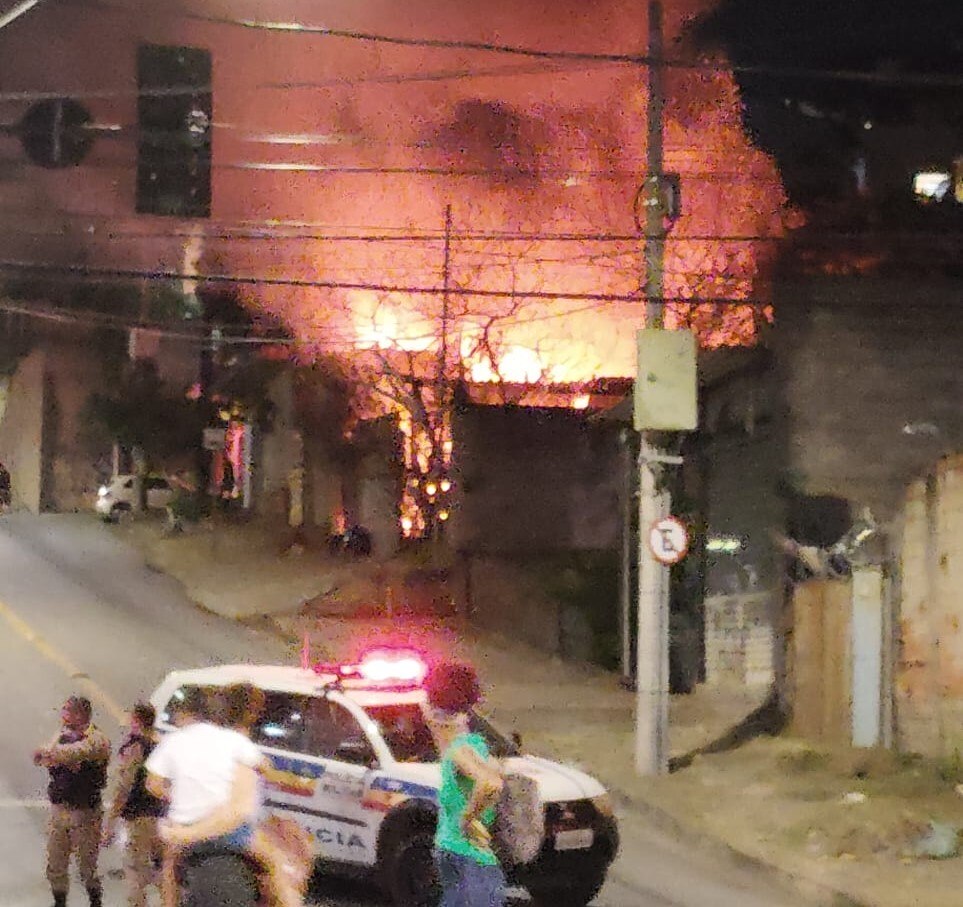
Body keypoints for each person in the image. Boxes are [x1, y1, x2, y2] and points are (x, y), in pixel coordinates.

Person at [423, 662, 506, 907]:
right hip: (466, 860)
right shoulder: (474, 744)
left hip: (468, 860)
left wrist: (467, 819)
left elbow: (491, 784)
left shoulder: (460, 750)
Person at [33, 696, 111, 907]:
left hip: (84, 811)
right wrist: (51, 755)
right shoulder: (63, 736)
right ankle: (60, 902)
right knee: (56, 861)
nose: (63, 716)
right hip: (61, 808)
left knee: (87, 864)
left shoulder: (97, 739)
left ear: (79, 714)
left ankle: (95, 901)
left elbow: (78, 751)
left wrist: (52, 753)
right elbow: (45, 761)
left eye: (67, 711)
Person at [102, 702, 166, 907]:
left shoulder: (136, 747)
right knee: (164, 870)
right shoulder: (162, 745)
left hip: (140, 818)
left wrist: (110, 824)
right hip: (163, 817)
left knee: (135, 871)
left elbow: (124, 787)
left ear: (136, 720)